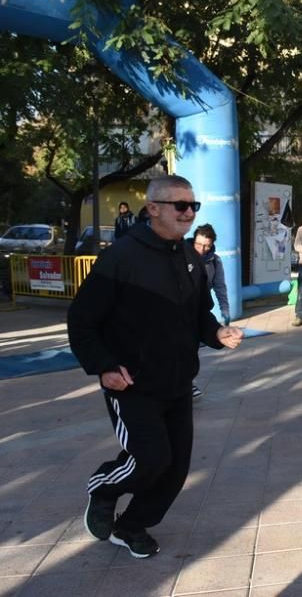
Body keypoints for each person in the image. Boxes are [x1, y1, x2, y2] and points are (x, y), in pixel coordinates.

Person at [67, 175, 244, 559]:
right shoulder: (120, 257)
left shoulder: (190, 258)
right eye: (180, 205)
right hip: (130, 384)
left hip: (178, 383)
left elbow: (200, 316)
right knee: (151, 459)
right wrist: (103, 366)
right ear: (153, 208)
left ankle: (131, 526)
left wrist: (218, 333)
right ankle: (103, 487)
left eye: (193, 206)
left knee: (176, 469)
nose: (188, 213)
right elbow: (81, 320)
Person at [188, 223, 231, 399]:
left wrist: (225, 309)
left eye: (206, 245)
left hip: (201, 309)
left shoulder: (214, 261)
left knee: (193, 347)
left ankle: (187, 382)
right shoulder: (182, 255)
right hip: (183, 308)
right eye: (199, 244)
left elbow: (220, 286)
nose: (202, 249)